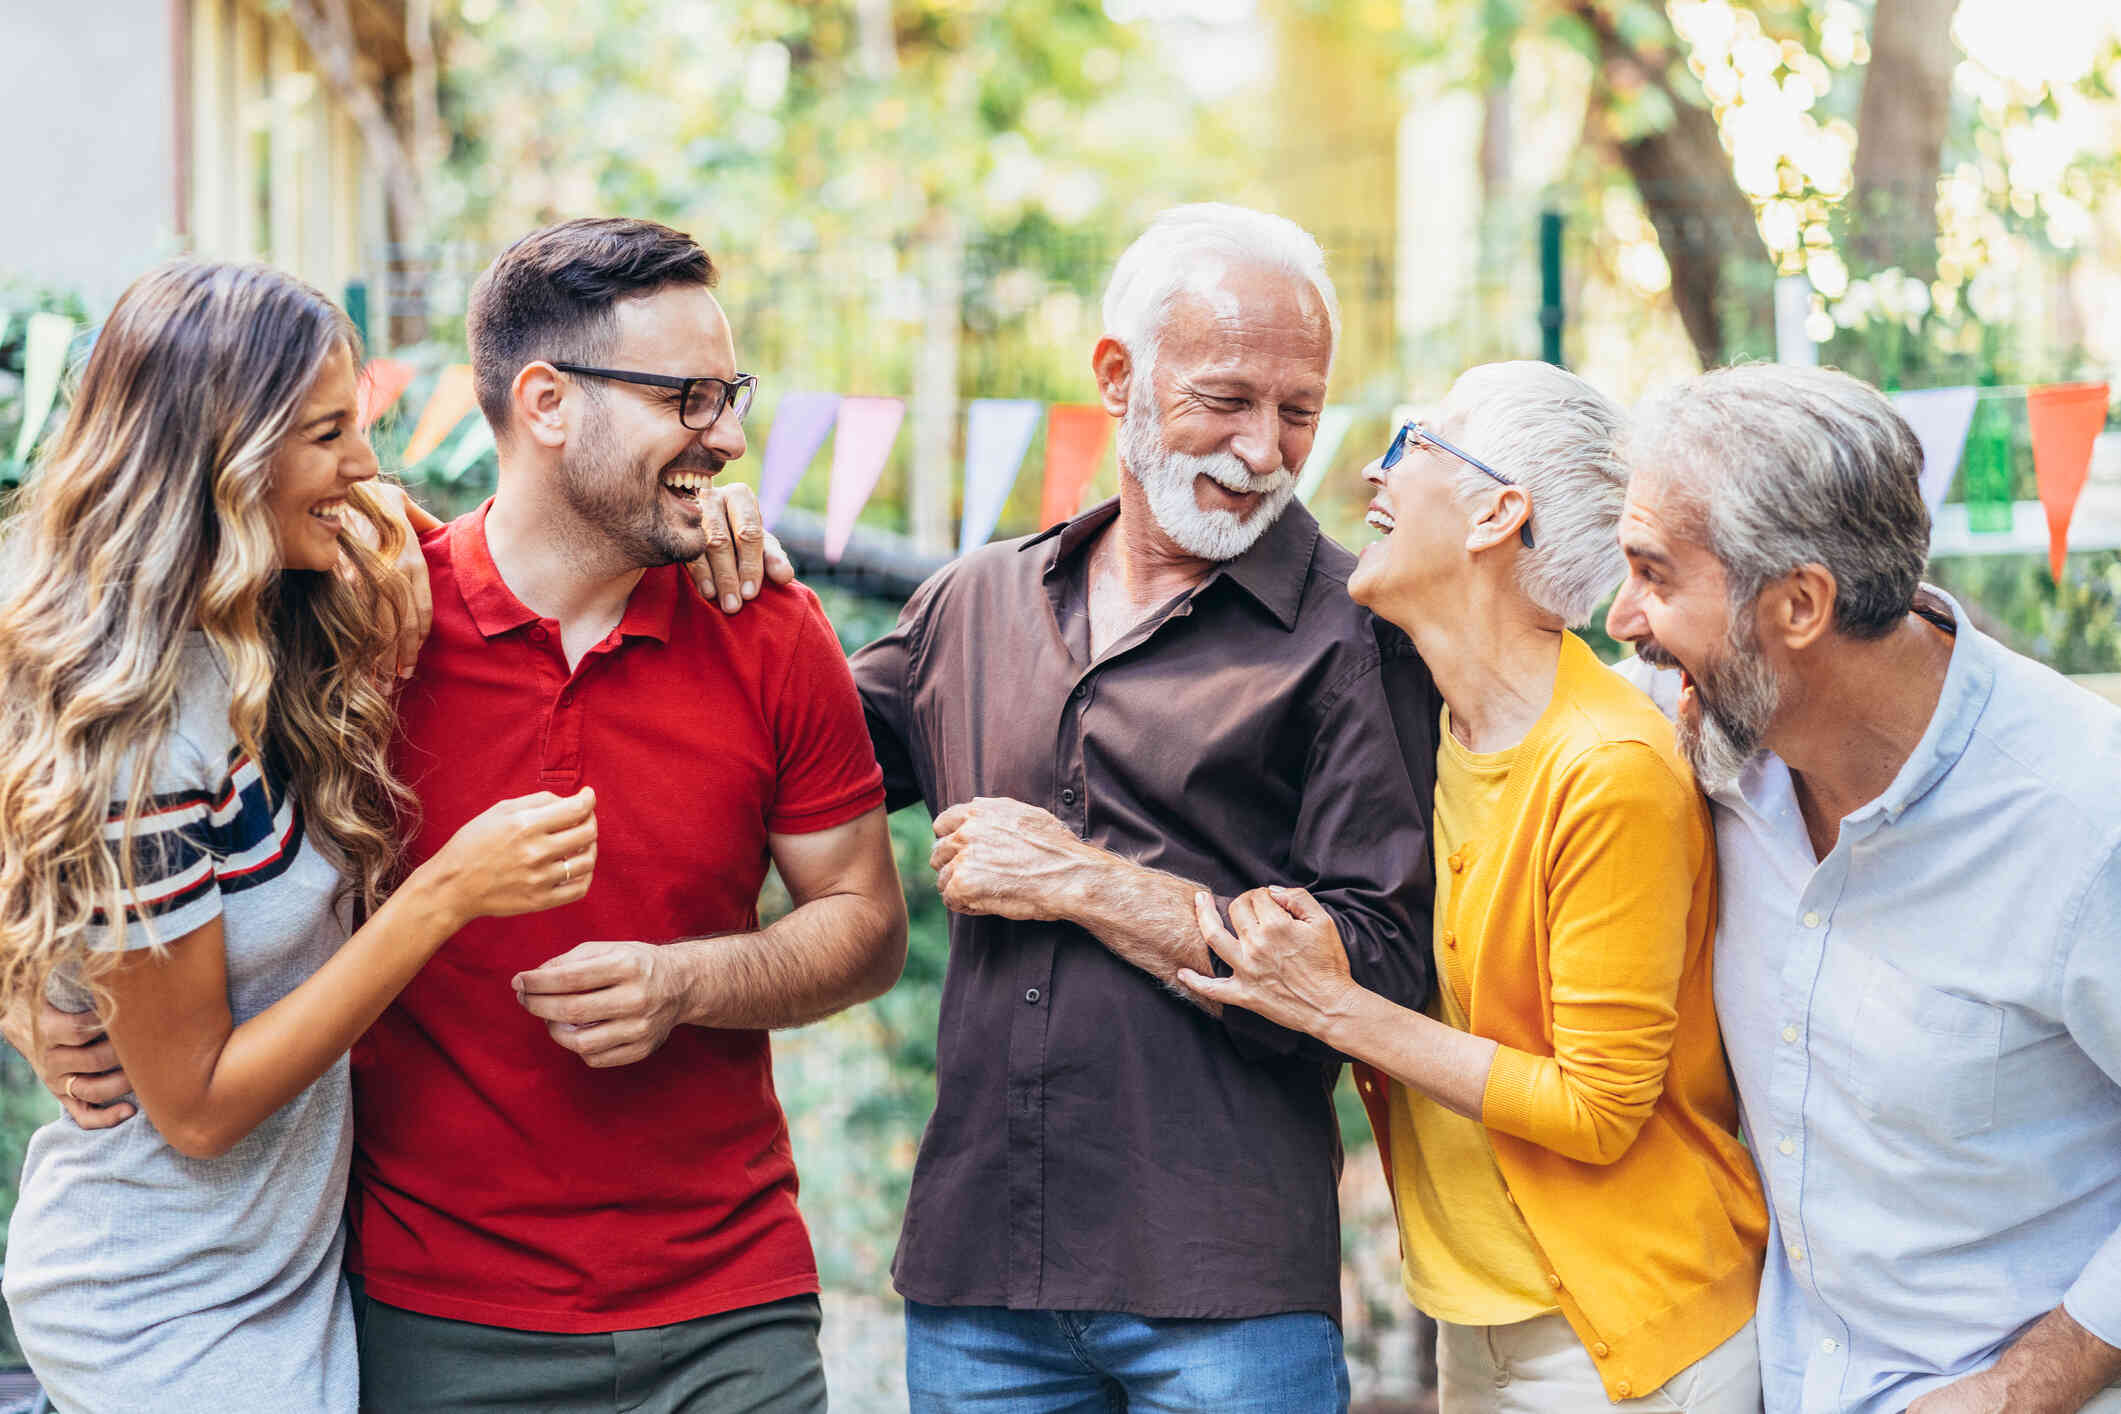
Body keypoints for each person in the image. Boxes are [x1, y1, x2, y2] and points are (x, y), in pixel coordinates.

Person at [26, 220, 911, 1413]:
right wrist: (27, 990)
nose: (730, 434)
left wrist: (686, 983)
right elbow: (69, 769)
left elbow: (865, 920)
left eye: (732, 395)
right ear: (546, 402)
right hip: (417, 1314)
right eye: (690, 396)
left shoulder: (765, 626)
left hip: (727, 1303)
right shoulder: (353, 632)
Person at [703, 203, 1439, 1411]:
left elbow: (1381, 967)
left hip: (1225, 1291)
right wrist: (716, 570)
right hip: (982, 1273)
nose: (1264, 449)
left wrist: (1086, 883)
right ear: (1117, 375)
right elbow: (777, 764)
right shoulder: (977, 601)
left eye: (1297, 412)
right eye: (1227, 399)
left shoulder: (1358, 634)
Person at [0, 260, 594, 1413]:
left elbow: (500, 555)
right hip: (164, 1307)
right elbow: (202, 1107)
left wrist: (715, 518)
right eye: (330, 435)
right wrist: (444, 897)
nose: (370, 468)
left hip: (279, 1272)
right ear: (226, 456)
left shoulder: (250, 616)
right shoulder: (146, 726)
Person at [1176, 360, 1768, 1412]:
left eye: (1413, 443)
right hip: (1481, 1326)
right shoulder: (1426, 726)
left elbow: (1596, 1108)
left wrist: (1335, 1008)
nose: (1372, 465)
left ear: (1499, 511)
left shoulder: (1608, 766)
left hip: (1626, 1333)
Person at [1601, 363, 2121, 1414]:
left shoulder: (2081, 816)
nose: (1622, 618)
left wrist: (2019, 1390)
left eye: (1655, 575)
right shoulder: (1695, 731)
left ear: (1800, 604)